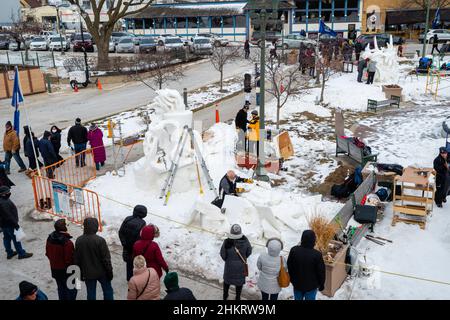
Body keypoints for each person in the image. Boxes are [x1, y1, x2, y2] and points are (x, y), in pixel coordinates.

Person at [74, 217, 114, 300]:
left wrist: (80, 273)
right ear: (95, 227)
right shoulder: (100, 240)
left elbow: (77, 259)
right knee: (108, 290)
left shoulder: (79, 240)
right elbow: (106, 259)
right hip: (102, 272)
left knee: (91, 293)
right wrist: (109, 271)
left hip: (88, 273)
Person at [287, 230, 325, 301]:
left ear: (302, 239)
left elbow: (289, 266)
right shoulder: (317, 255)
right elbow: (321, 272)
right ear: (313, 240)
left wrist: (292, 279)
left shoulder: (294, 250)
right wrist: (321, 284)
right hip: (311, 286)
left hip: (297, 284)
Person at [45, 219, 77, 300]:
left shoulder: (49, 238)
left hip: (55, 269)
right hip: (66, 271)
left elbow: (48, 253)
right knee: (72, 289)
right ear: (64, 228)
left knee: (61, 288)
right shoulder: (68, 243)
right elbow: (69, 260)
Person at [220, 224, 252, 300]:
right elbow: (249, 251)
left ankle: (225, 296)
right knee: (239, 283)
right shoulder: (245, 240)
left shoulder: (227, 241)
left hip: (229, 267)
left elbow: (223, 254)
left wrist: (228, 260)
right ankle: (237, 297)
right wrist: (243, 258)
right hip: (241, 267)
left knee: (227, 282)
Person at [0, 186, 33, 260]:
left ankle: (9, 252)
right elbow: (8, 216)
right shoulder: (4, 203)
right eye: (8, 192)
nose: (9, 193)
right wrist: (15, 224)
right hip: (10, 224)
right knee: (16, 239)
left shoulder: (3, 200)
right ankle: (21, 253)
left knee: (6, 238)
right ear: (3, 194)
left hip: (3, 224)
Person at [118, 205, 148, 281]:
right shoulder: (143, 223)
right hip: (135, 249)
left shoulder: (127, 219)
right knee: (137, 264)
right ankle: (136, 280)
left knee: (129, 264)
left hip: (126, 247)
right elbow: (141, 237)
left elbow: (121, 232)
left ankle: (129, 279)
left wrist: (124, 243)